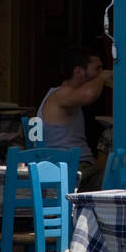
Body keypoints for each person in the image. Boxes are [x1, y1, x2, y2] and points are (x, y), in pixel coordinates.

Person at [39, 46, 109, 189]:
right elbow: (90, 94)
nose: (101, 73)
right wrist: (102, 78)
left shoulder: (65, 94)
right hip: (69, 168)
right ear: (79, 72)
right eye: (97, 69)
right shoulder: (62, 94)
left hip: (77, 165)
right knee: (120, 171)